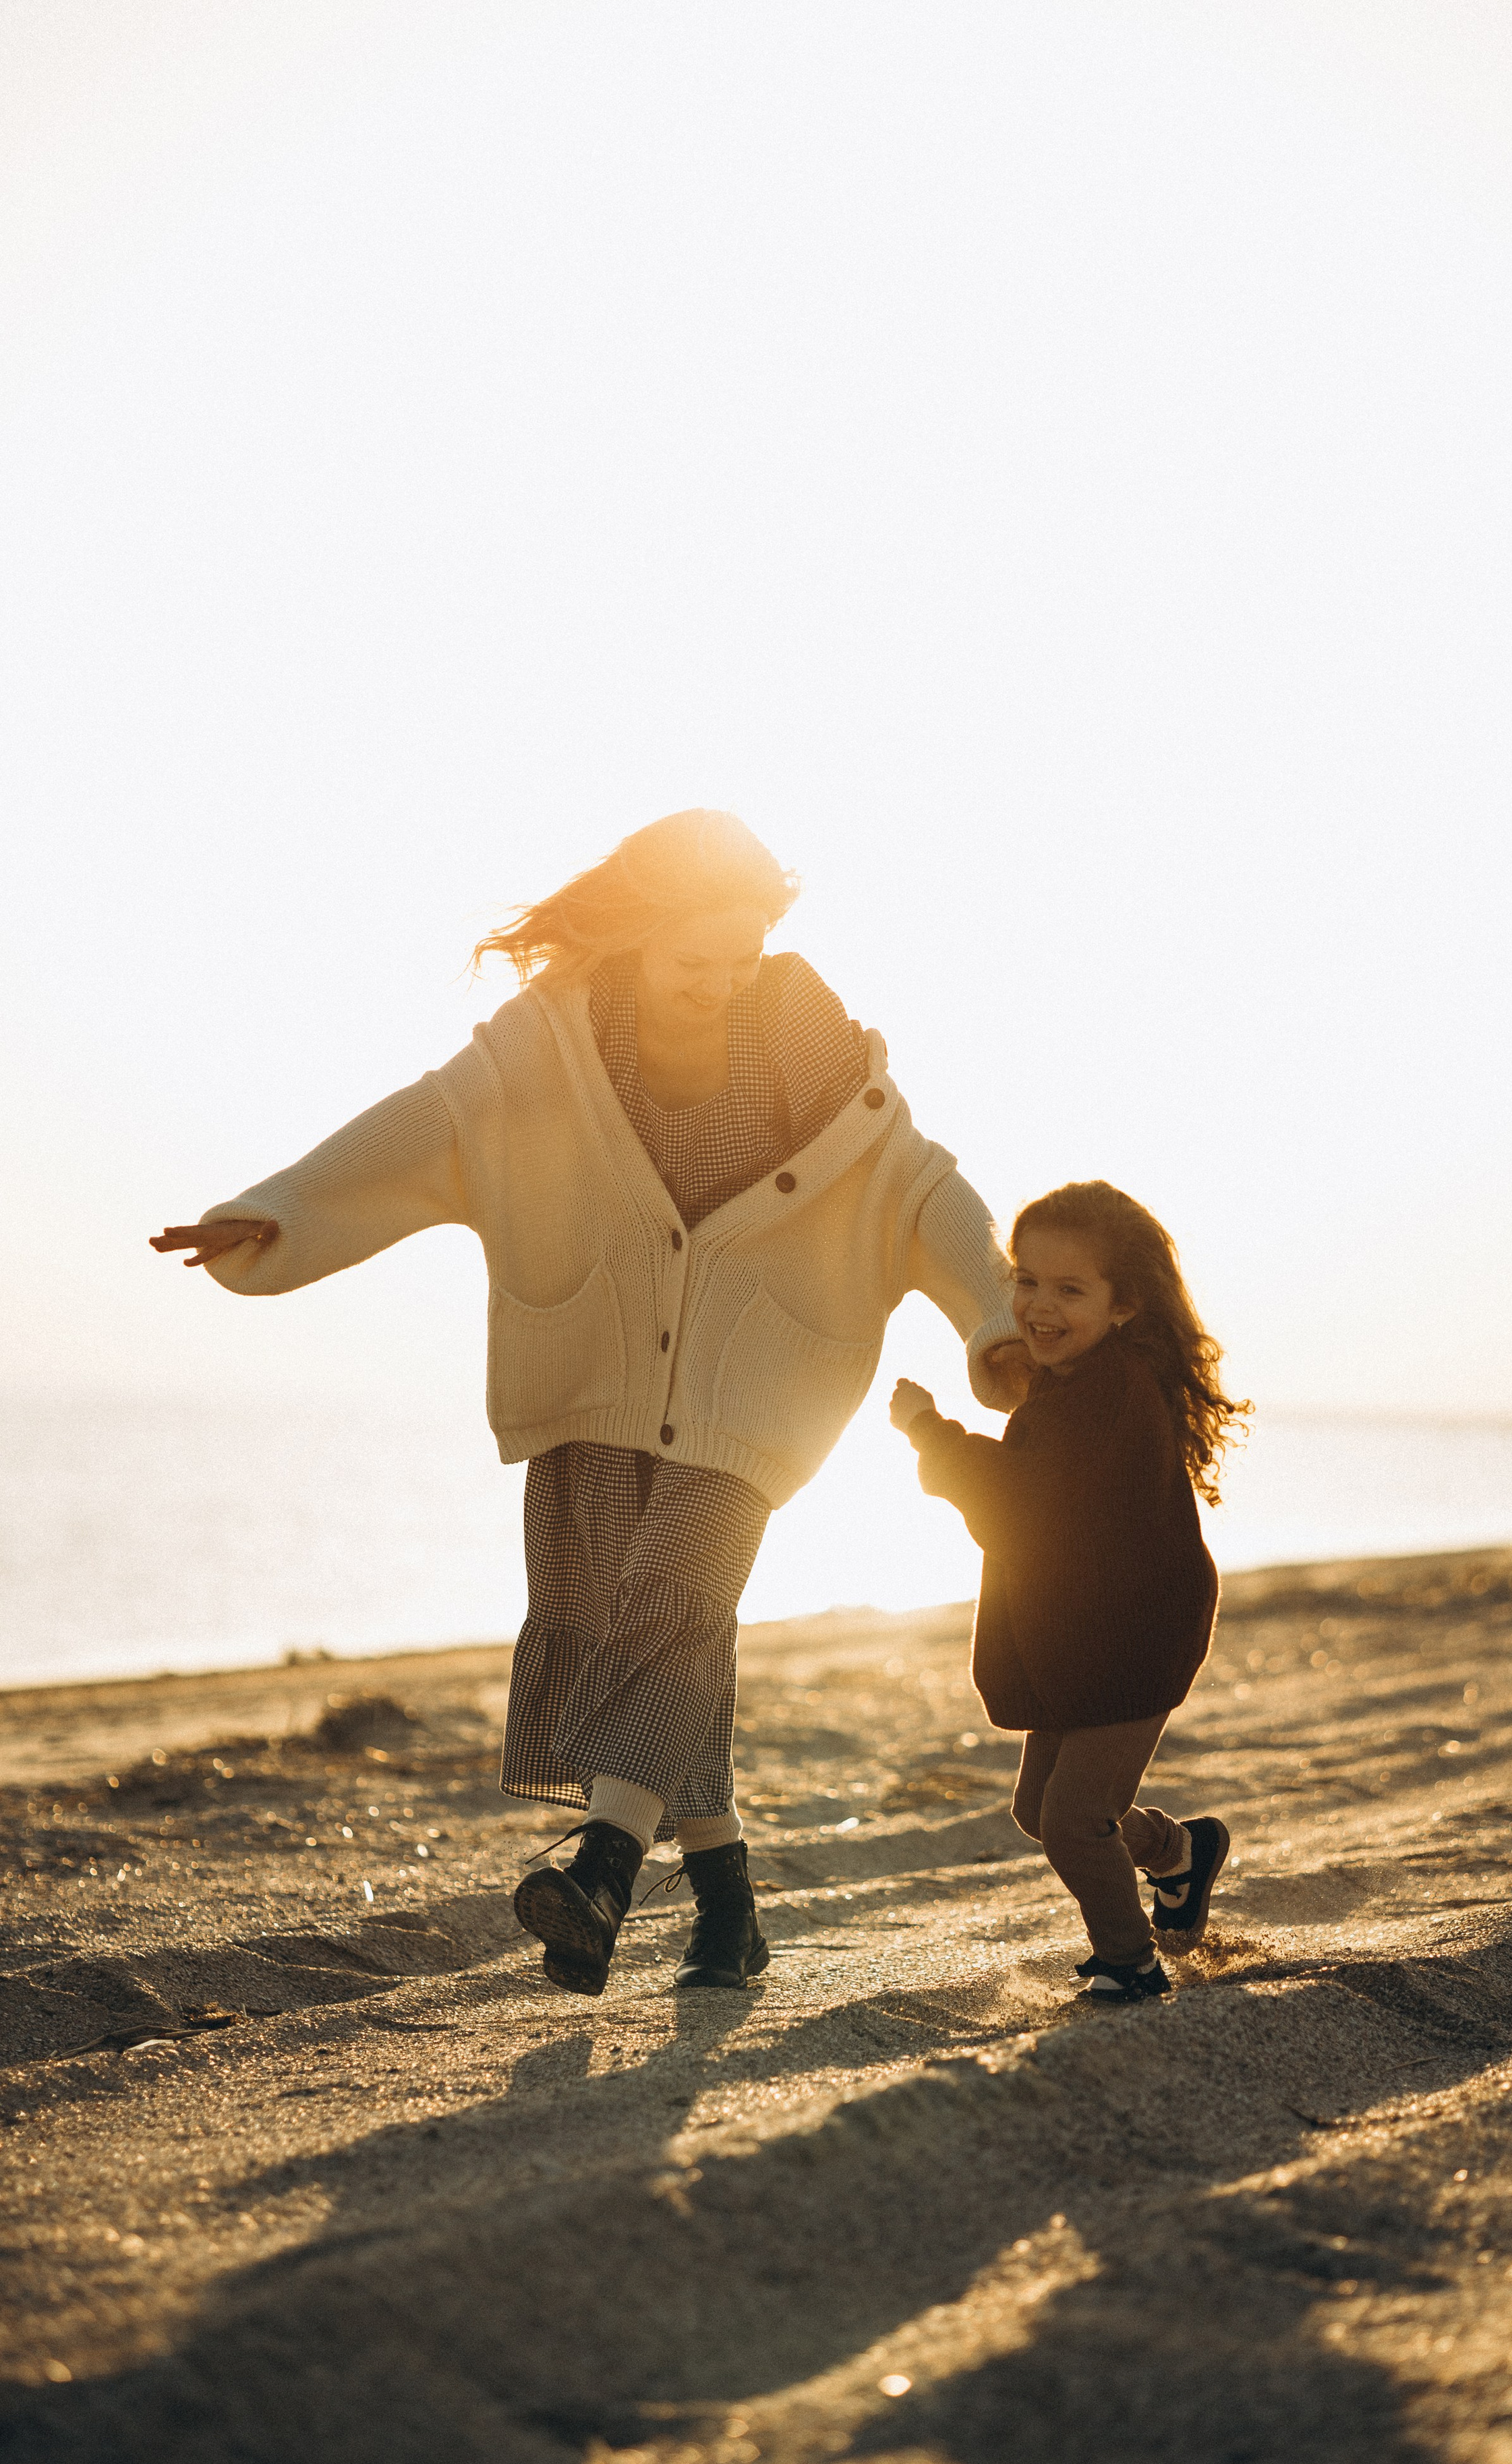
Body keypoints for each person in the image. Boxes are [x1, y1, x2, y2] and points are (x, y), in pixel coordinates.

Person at [152, 811, 1024, 1997]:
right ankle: (728, 1913)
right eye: (691, 963)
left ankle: (604, 1872)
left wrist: (993, 1316)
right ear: (636, 935)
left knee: (675, 1598)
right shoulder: (557, 1039)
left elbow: (922, 1189)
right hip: (596, 1379)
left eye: (739, 962)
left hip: (757, 1392)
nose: (716, 989)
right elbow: (429, 1126)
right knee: (640, 1638)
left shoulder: (798, 1037)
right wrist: (282, 1209)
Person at [889, 1179, 1248, 2002]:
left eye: (1069, 1290)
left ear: (1123, 1306)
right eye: (1025, 1281)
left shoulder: (1111, 1392)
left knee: (1072, 1820)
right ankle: (1176, 1853)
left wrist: (930, 1433)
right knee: (1037, 1810)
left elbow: (1021, 1501)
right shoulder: (1080, 1377)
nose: (1039, 1305)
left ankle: (1129, 1963)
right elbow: (1041, 1431)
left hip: (1133, 1639)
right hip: (1078, 1638)